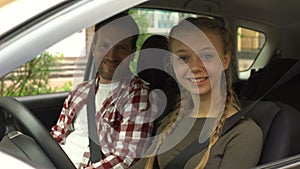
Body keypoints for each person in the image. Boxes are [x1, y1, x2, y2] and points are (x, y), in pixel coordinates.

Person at [131, 17, 263, 169]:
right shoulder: (170, 124)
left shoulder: (243, 133)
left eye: (207, 56)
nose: (195, 67)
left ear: (225, 60)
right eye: (184, 58)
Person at [50, 13, 159, 169]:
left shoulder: (139, 96)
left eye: (121, 47)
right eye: (104, 46)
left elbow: (125, 159)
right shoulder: (80, 91)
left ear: (132, 53)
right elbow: (57, 137)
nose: (111, 55)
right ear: (94, 49)